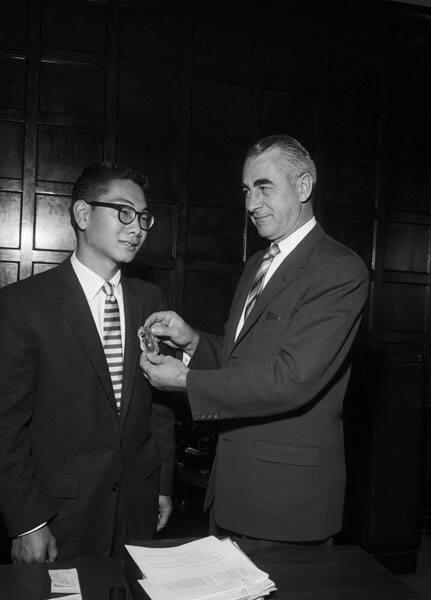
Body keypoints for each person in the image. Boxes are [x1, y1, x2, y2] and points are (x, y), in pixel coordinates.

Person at [140, 134, 369, 550]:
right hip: (230, 493)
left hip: (285, 505)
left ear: (303, 187)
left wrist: (185, 382)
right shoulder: (256, 265)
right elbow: (237, 360)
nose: (250, 205)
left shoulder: (339, 269)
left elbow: (291, 380)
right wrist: (192, 341)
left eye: (264, 188)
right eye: (247, 191)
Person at [0, 162, 175, 563]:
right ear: (83, 214)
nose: (137, 227)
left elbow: (159, 406)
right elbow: (3, 426)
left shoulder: (149, 299)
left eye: (143, 217)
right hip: (60, 516)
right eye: (123, 212)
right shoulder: (22, 305)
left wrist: (162, 484)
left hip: (136, 509)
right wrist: (27, 522)